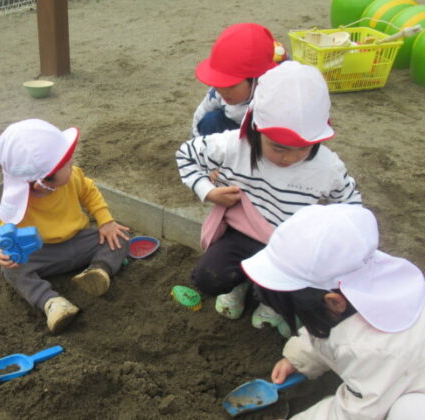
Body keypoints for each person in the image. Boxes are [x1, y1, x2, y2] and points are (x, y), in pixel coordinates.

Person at [175, 61, 362, 336]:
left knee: (298, 295)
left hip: (290, 244)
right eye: (278, 148)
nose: (290, 157)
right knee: (208, 277)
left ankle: (270, 301)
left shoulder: (327, 167)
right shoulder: (234, 146)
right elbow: (186, 154)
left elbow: (351, 207)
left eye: (303, 148)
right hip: (242, 234)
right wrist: (208, 190)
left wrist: (333, 238)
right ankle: (239, 284)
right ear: (255, 128)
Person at [241, 204, 425, 419]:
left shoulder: (369, 349)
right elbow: (323, 326)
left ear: (334, 302)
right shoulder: (362, 273)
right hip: (397, 368)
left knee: (407, 411)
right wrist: (298, 359)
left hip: (408, 385)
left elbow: (356, 414)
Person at [0, 119, 130, 334]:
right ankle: (52, 303)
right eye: (66, 163)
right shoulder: (19, 200)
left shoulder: (73, 177)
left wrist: (106, 221)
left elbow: (89, 192)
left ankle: (98, 271)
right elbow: (5, 231)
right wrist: (1, 251)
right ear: (43, 182)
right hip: (44, 253)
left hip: (79, 240)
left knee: (119, 236)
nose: (72, 162)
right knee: (11, 270)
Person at [191, 22, 287, 137]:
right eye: (218, 82)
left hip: (263, 137)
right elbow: (201, 112)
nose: (223, 90)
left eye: (231, 85)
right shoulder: (217, 93)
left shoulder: (272, 97)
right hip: (233, 131)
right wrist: (195, 142)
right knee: (210, 121)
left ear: (256, 80)